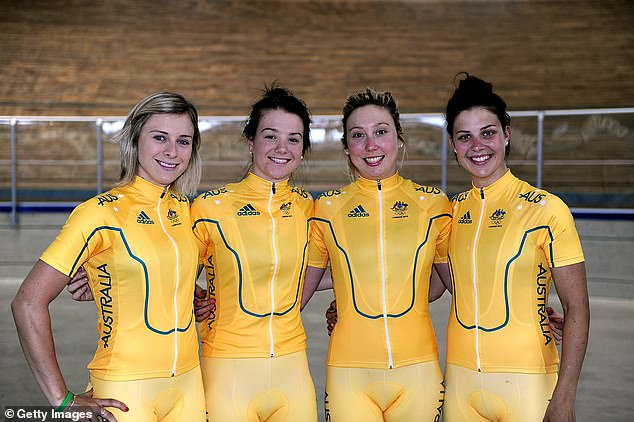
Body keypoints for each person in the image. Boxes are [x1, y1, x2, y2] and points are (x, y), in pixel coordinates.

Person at [12, 92, 206, 421]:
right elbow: (27, 302)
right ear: (134, 139)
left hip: (189, 386)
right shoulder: (99, 213)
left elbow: (171, 278)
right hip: (124, 390)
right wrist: (62, 399)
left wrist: (194, 296)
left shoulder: (189, 212)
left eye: (183, 141)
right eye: (159, 137)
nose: (172, 152)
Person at [442, 74, 590, 421]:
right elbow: (431, 283)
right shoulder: (449, 212)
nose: (477, 146)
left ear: (506, 134)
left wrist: (564, 398)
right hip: (461, 385)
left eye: (488, 132)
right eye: (465, 137)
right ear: (452, 143)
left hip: (530, 385)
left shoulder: (547, 209)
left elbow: (577, 307)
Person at [301, 88, 452, 421]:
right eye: (358, 135)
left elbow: (443, 282)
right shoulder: (326, 209)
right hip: (349, 373)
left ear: (399, 139)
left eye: (381, 132)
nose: (371, 145)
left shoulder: (434, 204)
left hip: (418, 370)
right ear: (346, 147)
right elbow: (299, 287)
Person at [190, 86, 318, 421]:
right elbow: (169, 269)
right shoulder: (210, 207)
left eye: (293, 139)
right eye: (270, 136)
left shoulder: (309, 208)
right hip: (228, 371)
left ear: (303, 149)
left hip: (294, 368)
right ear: (251, 142)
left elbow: (346, 268)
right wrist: (194, 296)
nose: (281, 148)